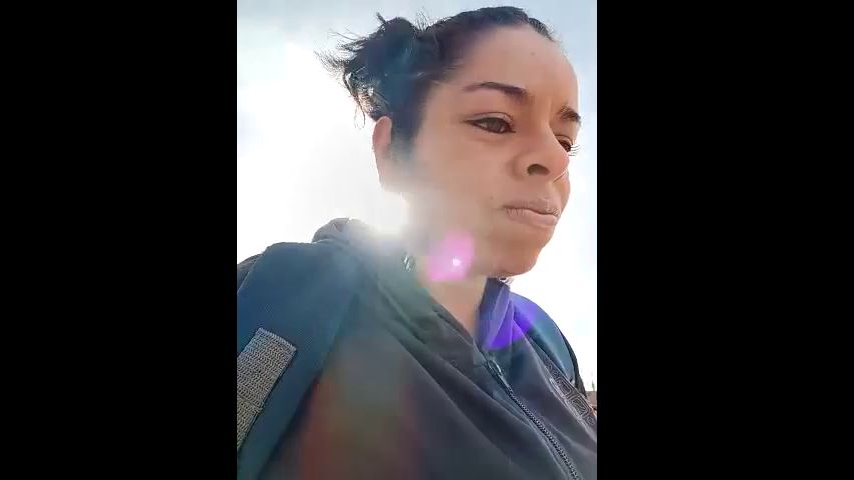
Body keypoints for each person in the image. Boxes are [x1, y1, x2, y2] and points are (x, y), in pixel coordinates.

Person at [237, 6, 597, 480]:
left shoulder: (546, 343)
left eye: (565, 140)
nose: (555, 159)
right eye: (495, 122)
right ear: (392, 151)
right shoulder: (277, 302)